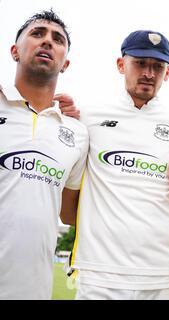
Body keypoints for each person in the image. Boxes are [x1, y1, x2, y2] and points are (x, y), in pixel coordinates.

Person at [65, 30, 169, 300]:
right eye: (140, 63)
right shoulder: (88, 115)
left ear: (167, 73)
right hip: (100, 273)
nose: (149, 72)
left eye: (157, 66)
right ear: (121, 65)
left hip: (163, 274)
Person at [0, 10, 89, 299]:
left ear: (65, 63)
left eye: (57, 39)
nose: (47, 42)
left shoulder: (76, 133)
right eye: (37, 34)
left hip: (32, 289)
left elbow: (69, 212)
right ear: (15, 51)